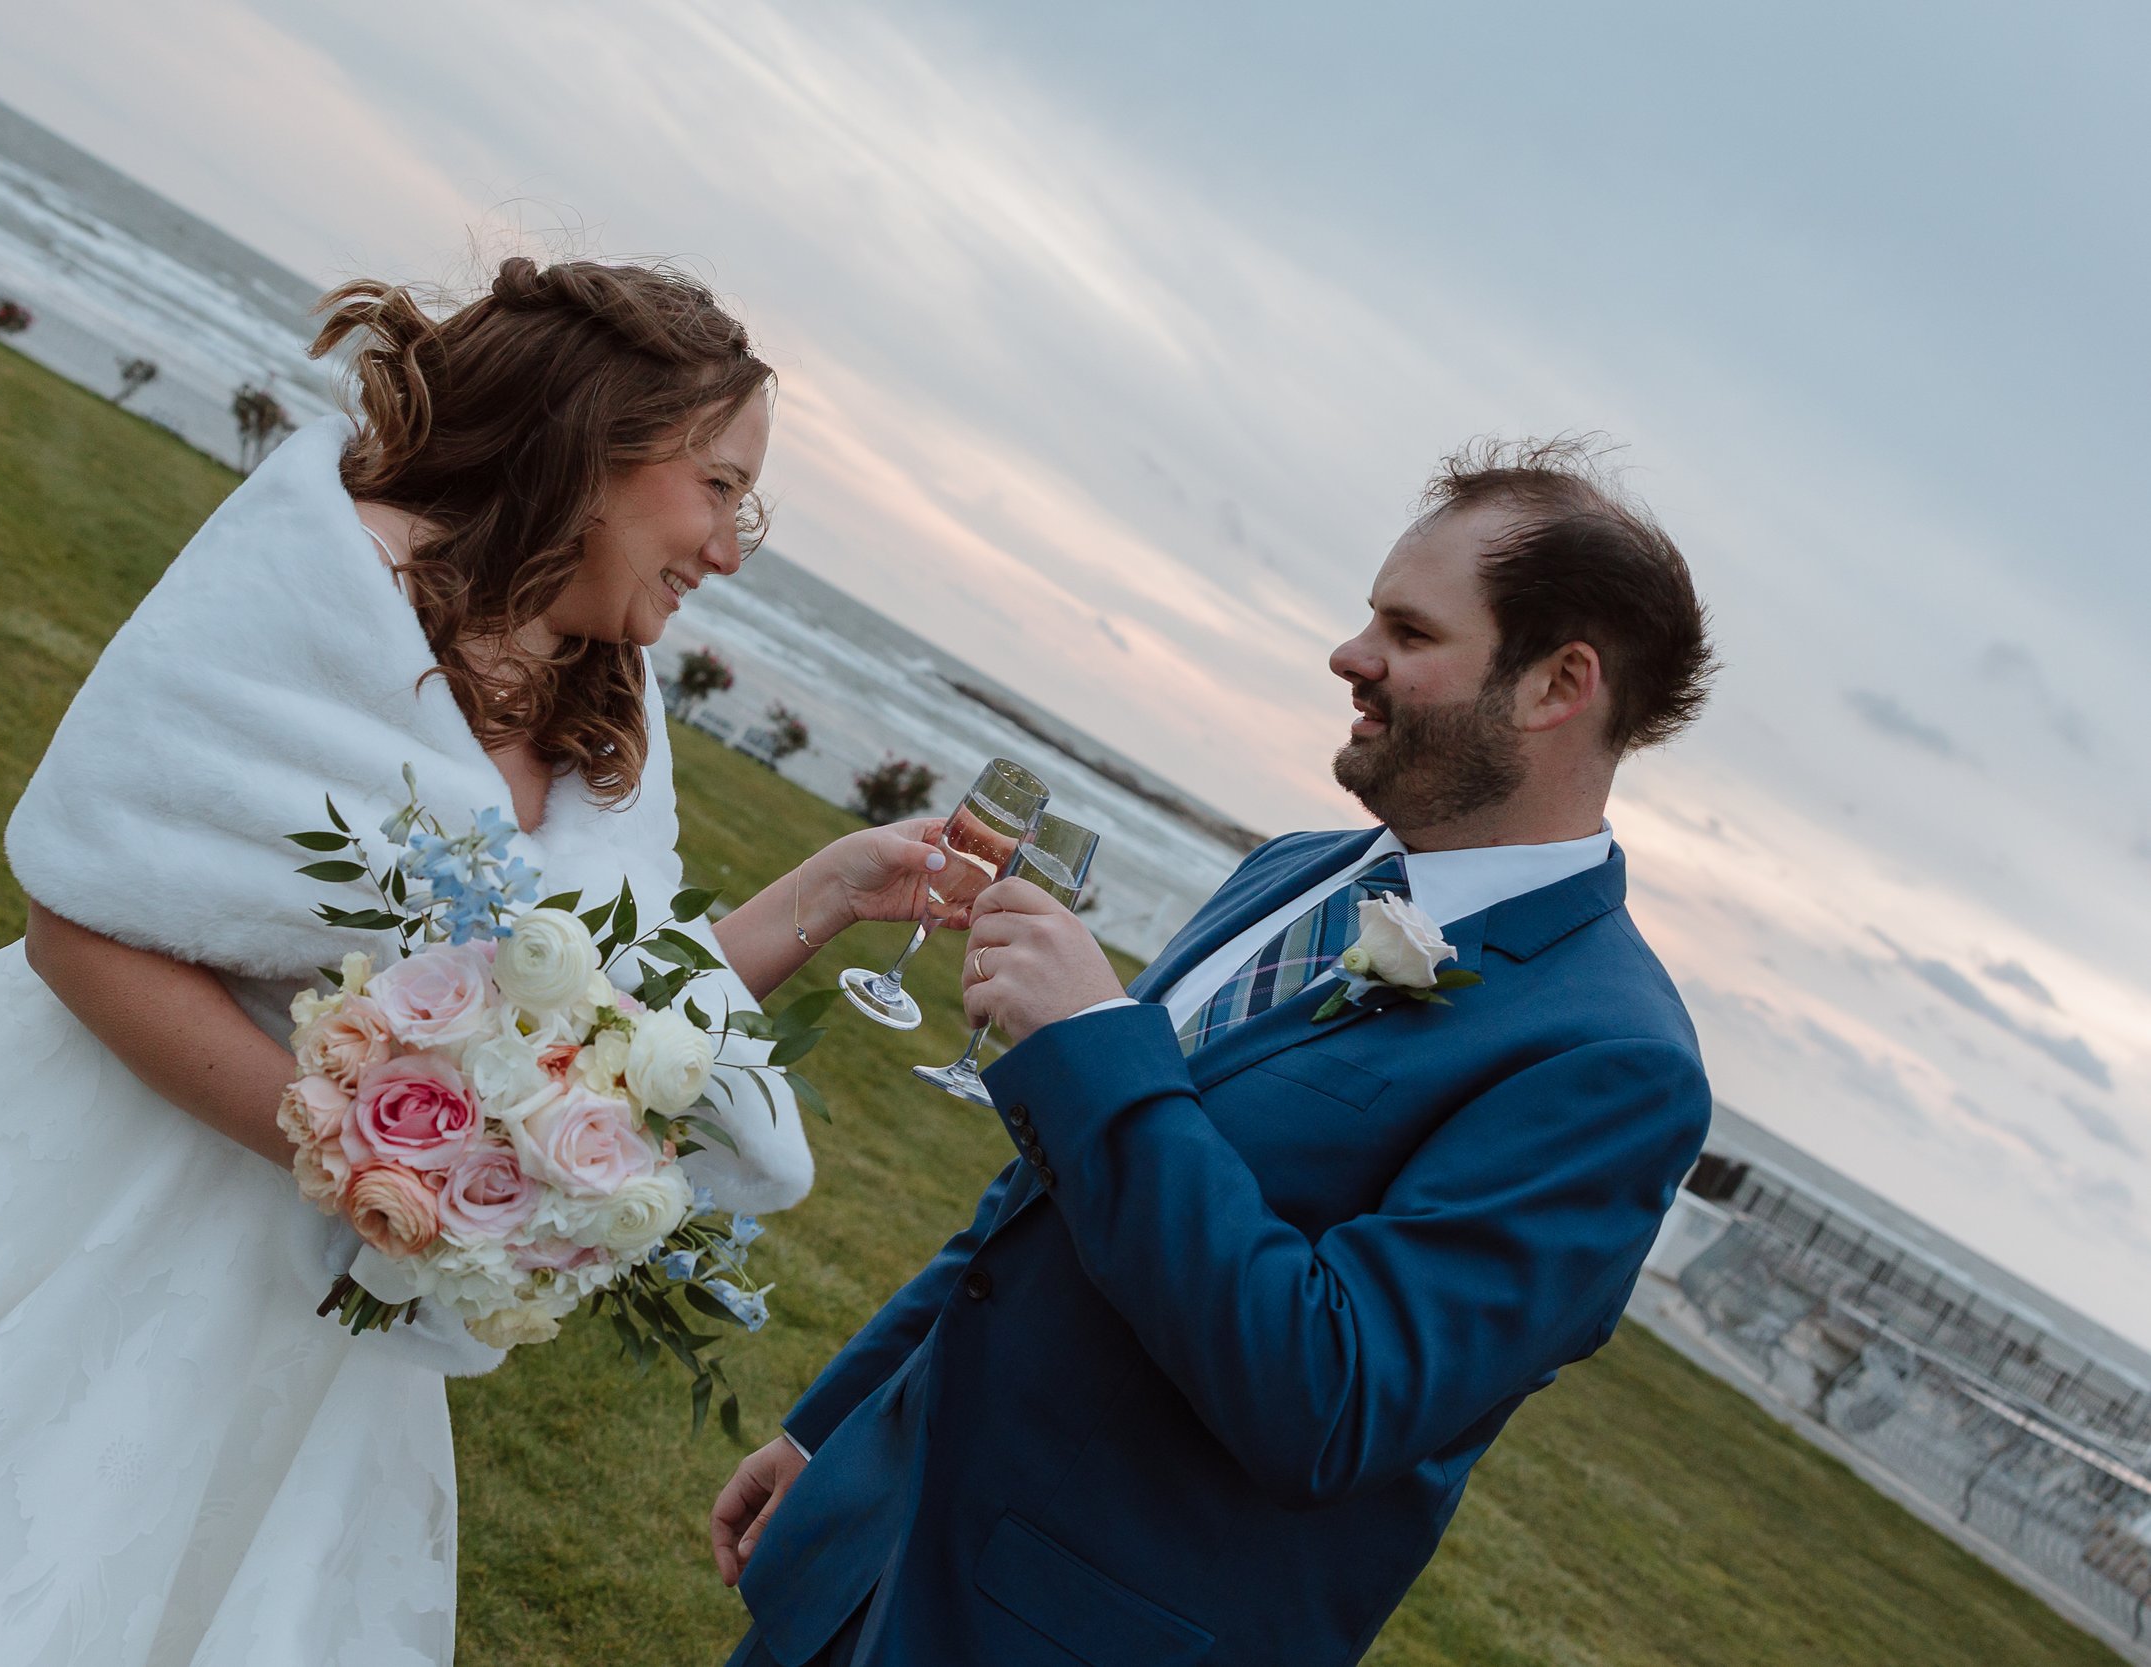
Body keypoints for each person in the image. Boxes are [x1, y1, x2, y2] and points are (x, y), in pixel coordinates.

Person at [0, 256, 963, 1667]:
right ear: (598, 446)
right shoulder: (322, 576)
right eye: (720, 485)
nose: (733, 543)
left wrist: (835, 888)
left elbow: (614, 999)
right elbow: (81, 925)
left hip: (329, 1298)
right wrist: (376, 1158)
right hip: (96, 1178)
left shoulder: (605, 684)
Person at [710, 437, 1720, 1667]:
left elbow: (1327, 1395)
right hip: (878, 1546)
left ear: (1558, 683)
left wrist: (1091, 1042)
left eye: (1406, 631)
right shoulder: (1292, 869)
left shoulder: (1611, 1060)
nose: (1349, 657)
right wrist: (834, 1424)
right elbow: (1037, 1210)